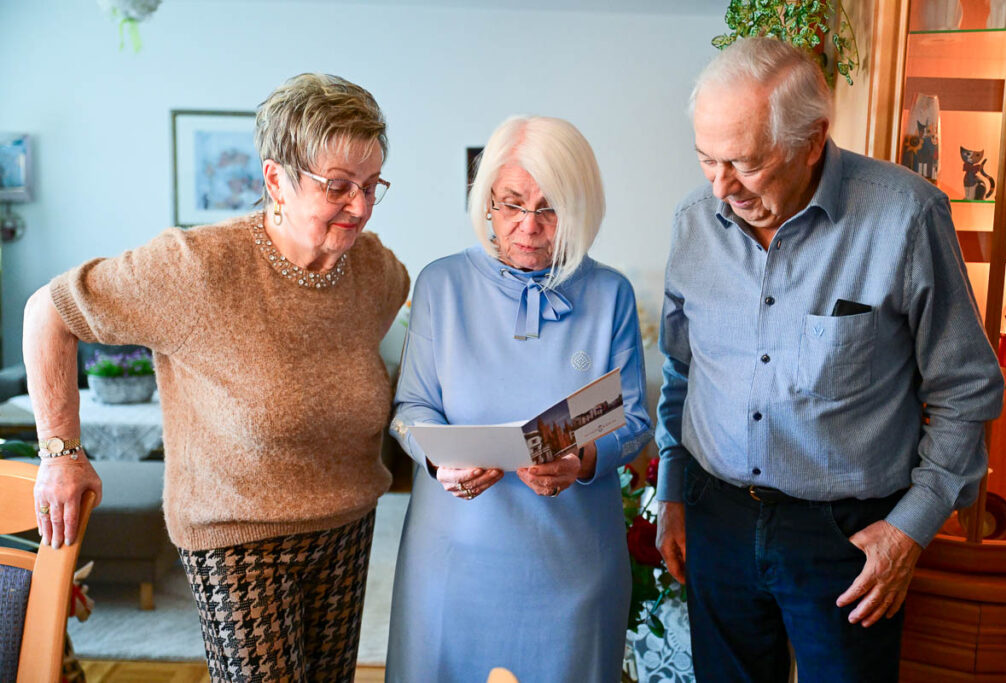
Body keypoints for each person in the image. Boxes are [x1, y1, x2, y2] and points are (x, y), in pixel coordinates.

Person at [24, 73, 409, 680]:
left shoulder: (379, 273)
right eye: (337, 186)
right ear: (275, 178)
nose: (359, 207)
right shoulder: (197, 268)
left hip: (348, 529)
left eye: (371, 186)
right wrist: (61, 453)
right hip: (237, 539)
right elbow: (47, 311)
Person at [655, 37, 1005, 682]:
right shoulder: (692, 222)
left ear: (812, 140)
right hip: (718, 519)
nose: (722, 187)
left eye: (745, 163)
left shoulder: (904, 217)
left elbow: (968, 390)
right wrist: (672, 493)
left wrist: (909, 529)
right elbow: (682, 370)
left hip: (845, 540)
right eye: (707, 160)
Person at [386, 115, 652, 682]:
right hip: (452, 563)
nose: (528, 227)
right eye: (511, 204)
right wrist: (438, 461)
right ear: (487, 204)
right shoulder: (440, 285)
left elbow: (631, 420)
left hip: (573, 563)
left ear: (580, 209)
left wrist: (579, 460)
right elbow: (410, 411)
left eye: (550, 208)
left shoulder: (610, 295)